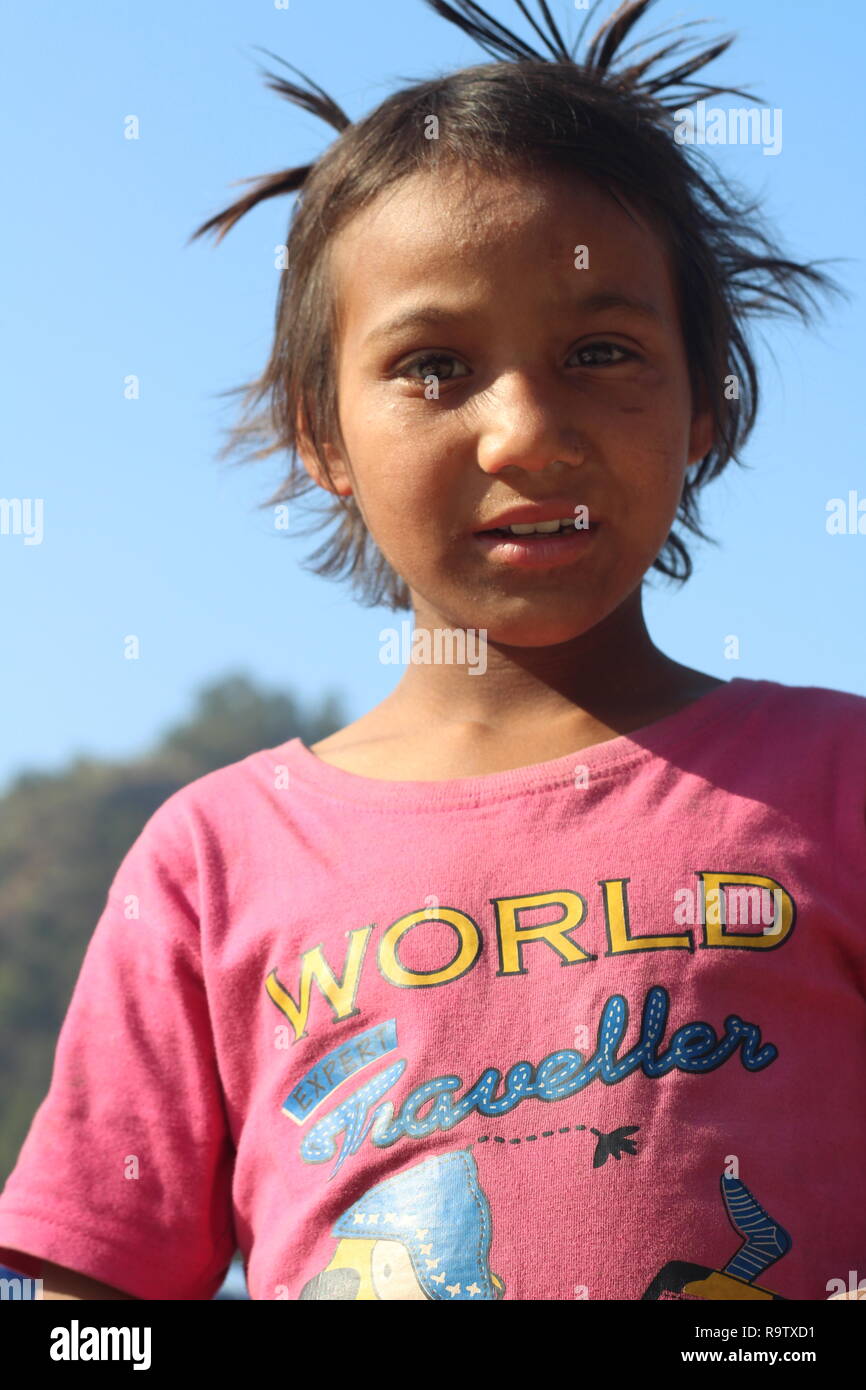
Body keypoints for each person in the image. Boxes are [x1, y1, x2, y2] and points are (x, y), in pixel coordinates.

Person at [1, 0, 864, 1302]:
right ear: (323, 437)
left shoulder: (838, 779)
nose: (523, 433)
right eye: (435, 365)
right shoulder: (212, 861)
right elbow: (90, 1304)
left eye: (599, 351)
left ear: (705, 404)